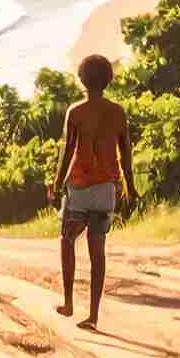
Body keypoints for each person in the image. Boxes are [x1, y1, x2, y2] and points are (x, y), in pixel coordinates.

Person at [48, 53, 135, 331]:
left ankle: (69, 301)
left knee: (67, 240)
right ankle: (93, 316)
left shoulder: (76, 112)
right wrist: (131, 189)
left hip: (80, 186)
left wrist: (57, 183)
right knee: (98, 251)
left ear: (82, 79)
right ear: (108, 80)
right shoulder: (118, 112)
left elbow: (67, 151)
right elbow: (126, 155)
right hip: (106, 188)